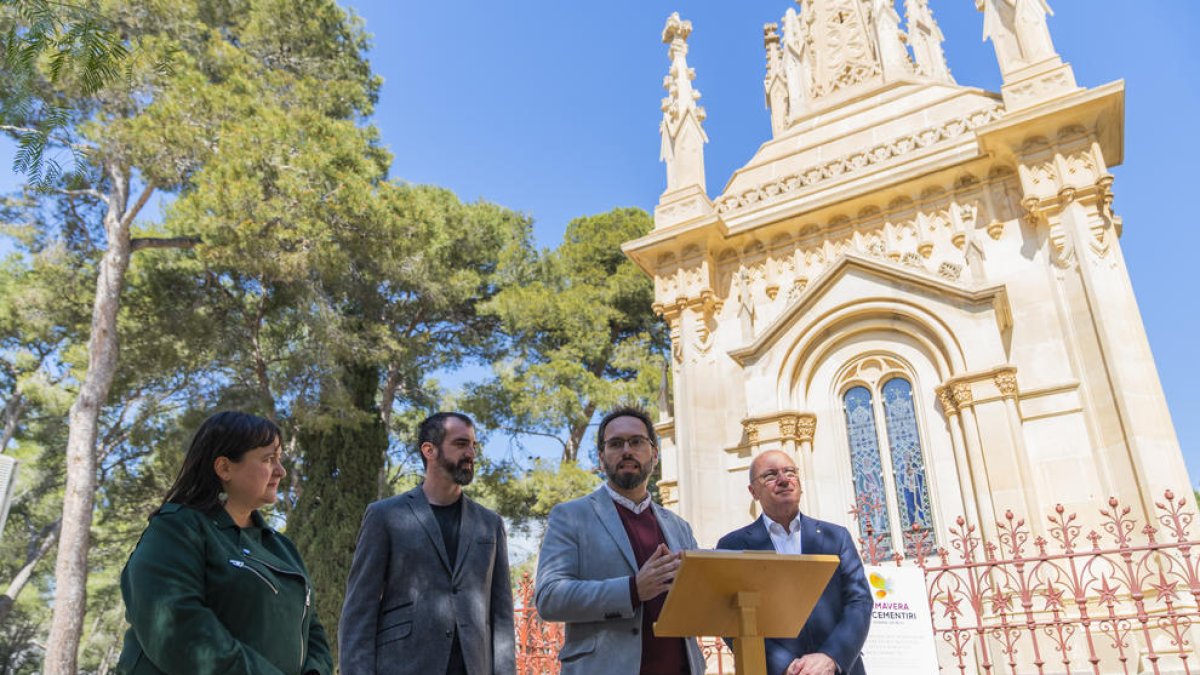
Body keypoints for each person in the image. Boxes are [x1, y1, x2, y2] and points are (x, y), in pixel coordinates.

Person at [116, 411, 332, 675]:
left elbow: (312, 631)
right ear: (224, 468)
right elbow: (178, 628)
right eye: (268, 459)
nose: (281, 471)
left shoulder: (282, 548)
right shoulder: (177, 529)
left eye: (280, 459)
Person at [339, 412, 514, 675]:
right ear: (429, 450)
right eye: (460, 444)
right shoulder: (384, 516)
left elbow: (502, 617)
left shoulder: (490, 524)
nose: (471, 453)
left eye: (473, 445)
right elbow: (358, 611)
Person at [535, 406, 706, 675]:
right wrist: (632, 590)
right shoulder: (570, 516)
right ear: (602, 458)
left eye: (637, 442)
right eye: (616, 444)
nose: (627, 450)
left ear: (655, 454)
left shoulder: (679, 527)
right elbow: (549, 598)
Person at [716, 450, 872, 675]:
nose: (783, 480)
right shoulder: (733, 546)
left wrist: (830, 657)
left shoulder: (836, 537)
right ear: (753, 491)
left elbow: (860, 602)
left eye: (790, 472)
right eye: (770, 475)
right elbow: (730, 619)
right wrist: (786, 666)